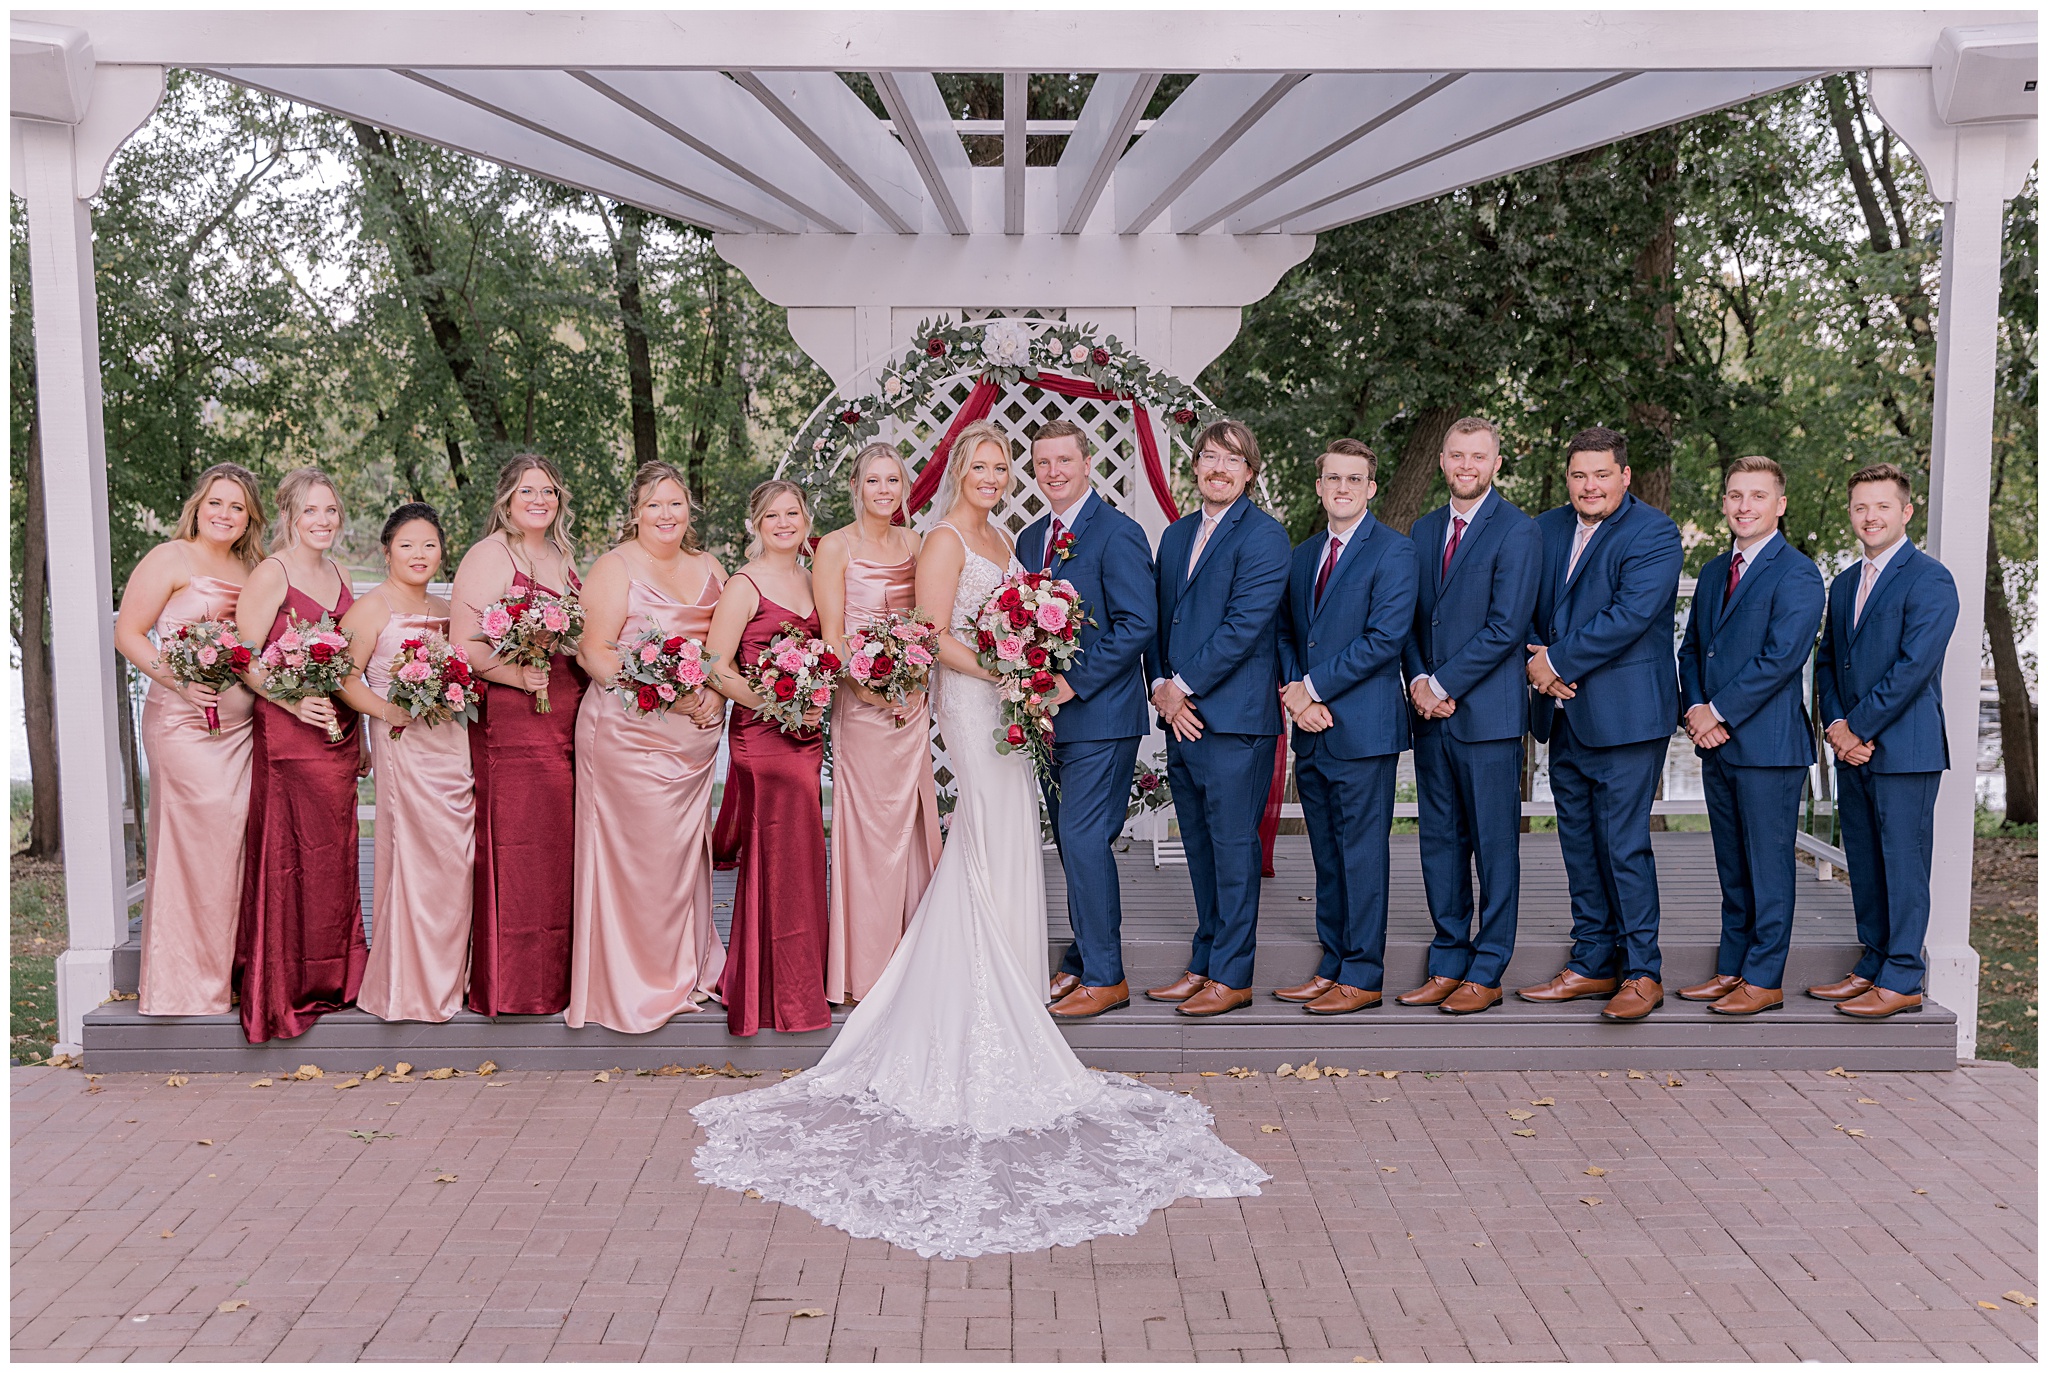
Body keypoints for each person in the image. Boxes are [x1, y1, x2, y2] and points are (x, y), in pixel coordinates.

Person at [691, 420, 1265, 1261]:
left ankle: (1015, 967)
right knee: (991, 829)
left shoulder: (1013, 535)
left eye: (1008, 465)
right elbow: (930, 634)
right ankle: (990, 975)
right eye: (988, 463)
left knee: (1007, 832)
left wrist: (1026, 672)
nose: (998, 475)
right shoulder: (950, 538)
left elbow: (1051, 620)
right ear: (960, 468)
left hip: (1017, 702)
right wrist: (1007, 673)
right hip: (977, 701)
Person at [1518, 427, 1682, 1023]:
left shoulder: (1654, 533)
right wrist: (1536, 664)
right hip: (1562, 715)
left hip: (1627, 718)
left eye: (1601, 475)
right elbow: (1519, 609)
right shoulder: (1545, 529)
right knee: (1579, 845)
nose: (1590, 486)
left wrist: (1554, 662)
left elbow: (1629, 615)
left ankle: (1642, 972)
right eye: (1579, 475)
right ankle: (1591, 963)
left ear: (1625, 476)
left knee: (1624, 845)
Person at [566, 462, 730, 1033]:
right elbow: (595, 654)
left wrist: (710, 688)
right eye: (654, 505)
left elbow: (723, 647)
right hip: (628, 733)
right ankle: (633, 980)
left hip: (692, 743)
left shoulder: (711, 566)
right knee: (639, 860)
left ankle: (683, 966)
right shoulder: (615, 567)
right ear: (635, 511)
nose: (666, 515)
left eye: (676, 504)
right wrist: (664, 695)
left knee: (679, 859)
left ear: (690, 510)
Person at [1144, 419, 1292, 1018]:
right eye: (1208, 457)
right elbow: (1159, 622)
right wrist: (1159, 685)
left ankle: (1232, 975)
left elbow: (1242, 629)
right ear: (1196, 467)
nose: (1218, 468)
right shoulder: (1177, 537)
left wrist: (1180, 687)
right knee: (1200, 848)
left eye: (1231, 460)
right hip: (1180, 718)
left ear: (1249, 471)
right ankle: (1205, 960)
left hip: (1234, 722)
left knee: (1233, 850)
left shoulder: (1265, 538)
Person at [114, 464, 268, 1017]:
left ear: (249, 516)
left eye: (237, 506)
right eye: (215, 503)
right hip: (181, 725)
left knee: (231, 848)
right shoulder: (169, 558)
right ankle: (183, 986)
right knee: (191, 848)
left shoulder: (253, 568)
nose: (224, 514)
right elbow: (128, 634)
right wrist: (180, 681)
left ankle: (226, 973)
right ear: (198, 507)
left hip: (239, 730)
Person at [1675, 457, 1826, 1017]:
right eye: (1736, 495)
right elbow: (1693, 648)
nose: (1745, 506)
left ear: (1779, 505)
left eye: (1757, 496)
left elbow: (1781, 659)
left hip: (1766, 748)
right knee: (1733, 867)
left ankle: (1764, 978)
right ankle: (1732, 968)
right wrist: (1693, 707)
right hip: (1715, 742)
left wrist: (1718, 712)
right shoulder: (1715, 571)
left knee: (1767, 867)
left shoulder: (1799, 573)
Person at [1400, 417, 1541, 1015]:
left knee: (1493, 844)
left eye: (1477, 457)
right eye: (1457, 455)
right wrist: (1416, 681)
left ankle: (1488, 965)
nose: (1466, 466)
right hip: (1432, 715)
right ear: (1441, 461)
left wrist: (1443, 681)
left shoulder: (1518, 531)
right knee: (1440, 842)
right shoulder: (1423, 529)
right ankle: (1447, 958)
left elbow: (1507, 627)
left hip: (1488, 717)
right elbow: (1408, 618)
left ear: (1495, 464)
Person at [1017, 420, 1158, 1019]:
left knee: (1082, 839)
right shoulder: (1029, 539)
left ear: (1087, 463)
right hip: (1050, 721)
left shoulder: (1117, 534)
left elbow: (1137, 624)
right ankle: (1080, 960)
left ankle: (1107, 975)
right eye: (1043, 462)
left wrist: (1071, 684)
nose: (1053, 472)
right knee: (1072, 845)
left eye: (1063, 461)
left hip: (1101, 715)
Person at [1275, 439, 1418, 1016]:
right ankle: (1332, 963)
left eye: (1354, 479)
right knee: (1327, 856)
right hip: (1312, 728)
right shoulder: (1303, 554)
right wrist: (1295, 695)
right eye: (1333, 478)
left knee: (1361, 855)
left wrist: (1312, 687)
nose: (1342, 488)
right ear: (1319, 487)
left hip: (1364, 730)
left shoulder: (1394, 552)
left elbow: (1383, 641)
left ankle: (1363, 974)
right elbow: (1286, 633)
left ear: (1371, 488)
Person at [1812, 463, 1959, 1019]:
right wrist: (1835, 726)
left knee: (1903, 862)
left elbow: (1913, 667)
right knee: (1866, 863)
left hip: (1906, 751)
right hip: (1852, 747)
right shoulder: (1846, 582)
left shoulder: (1930, 579)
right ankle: (1873, 962)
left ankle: (1902, 976)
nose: (1869, 517)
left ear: (1906, 512)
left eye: (1881, 506)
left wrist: (1858, 726)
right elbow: (1828, 661)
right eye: (1860, 507)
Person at [232, 467, 367, 1043]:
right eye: (311, 511)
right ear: (289, 514)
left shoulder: (340, 573)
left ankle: (335, 978)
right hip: (289, 732)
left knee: (334, 853)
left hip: (336, 730)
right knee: (288, 853)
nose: (323, 521)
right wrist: (293, 701)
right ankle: (282, 984)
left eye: (331, 511)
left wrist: (355, 725)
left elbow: (345, 662)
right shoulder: (272, 573)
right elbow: (243, 657)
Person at [449, 454, 586, 1017]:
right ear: (506, 498)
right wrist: (515, 674)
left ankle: (562, 979)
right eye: (528, 490)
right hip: (513, 719)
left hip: (568, 714)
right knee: (521, 845)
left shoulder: (563, 556)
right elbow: (465, 645)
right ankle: (518, 984)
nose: (540, 500)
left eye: (549, 491)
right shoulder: (489, 556)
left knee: (562, 845)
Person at [812, 443, 941, 1008]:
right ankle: (865, 966)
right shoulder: (834, 547)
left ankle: (915, 956)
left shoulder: (916, 544)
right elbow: (833, 634)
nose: (883, 491)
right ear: (856, 487)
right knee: (867, 834)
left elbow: (929, 624)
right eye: (873, 481)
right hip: (859, 707)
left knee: (911, 828)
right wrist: (867, 689)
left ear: (904, 488)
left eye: (893, 481)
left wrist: (911, 689)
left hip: (910, 708)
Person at [338, 503, 474, 1024]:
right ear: (387, 549)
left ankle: (450, 974)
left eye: (430, 545)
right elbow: (345, 678)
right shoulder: (370, 610)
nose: (420, 554)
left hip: (451, 746)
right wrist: (386, 708)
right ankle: (407, 984)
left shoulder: (447, 609)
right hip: (403, 745)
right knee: (415, 860)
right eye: (407, 545)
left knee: (456, 859)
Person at [707, 480, 830, 1037]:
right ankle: (773, 991)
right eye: (772, 515)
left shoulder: (815, 577)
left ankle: (801, 981)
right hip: (762, 733)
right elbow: (717, 666)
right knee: (779, 852)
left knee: (802, 854)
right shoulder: (744, 584)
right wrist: (777, 703)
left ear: (806, 517)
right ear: (754, 524)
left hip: (807, 734)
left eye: (793, 512)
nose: (784, 523)